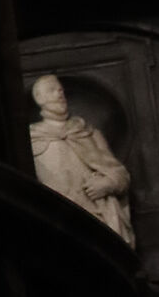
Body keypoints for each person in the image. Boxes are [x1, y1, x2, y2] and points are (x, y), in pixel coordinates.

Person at [28, 73, 135, 246]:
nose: (59, 94)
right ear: (39, 98)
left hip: (100, 224)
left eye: (60, 90)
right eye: (52, 90)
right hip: (59, 226)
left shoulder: (87, 132)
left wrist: (108, 183)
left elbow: (120, 174)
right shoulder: (32, 140)